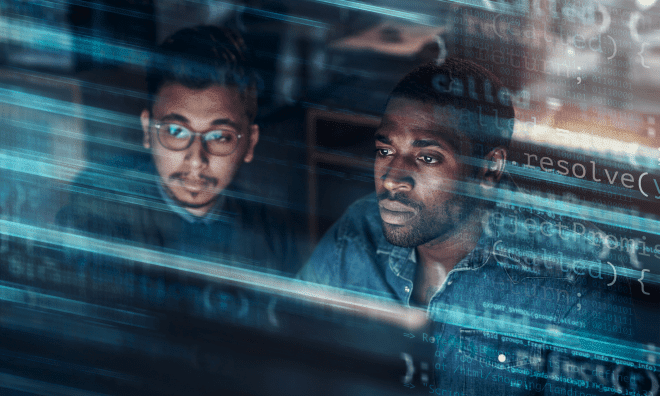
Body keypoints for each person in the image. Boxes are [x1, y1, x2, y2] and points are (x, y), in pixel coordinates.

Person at [299, 58, 634, 394]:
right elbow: (289, 355)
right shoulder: (358, 232)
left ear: (488, 169)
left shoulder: (576, 286)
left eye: (427, 157)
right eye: (385, 150)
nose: (391, 180)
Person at [57, 26, 303, 275]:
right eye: (176, 132)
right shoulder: (100, 210)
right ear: (148, 131)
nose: (196, 160)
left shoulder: (272, 234)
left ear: (250, 143)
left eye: (219, 136)